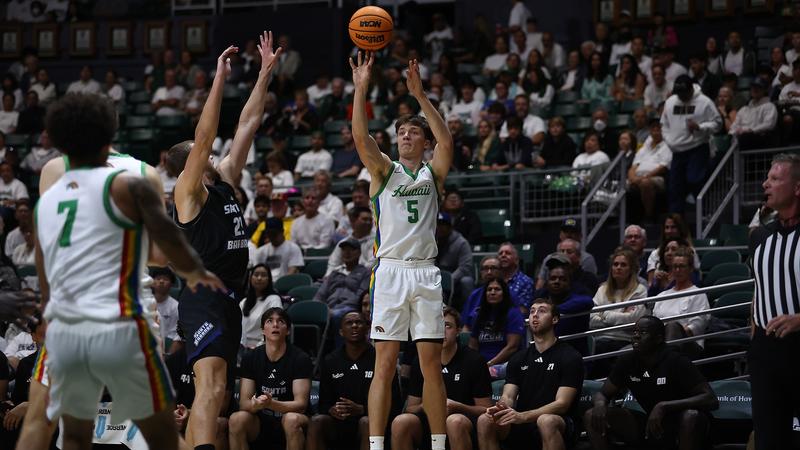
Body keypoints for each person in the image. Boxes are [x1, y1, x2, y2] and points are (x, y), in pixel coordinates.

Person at [34, 90, 223, 450]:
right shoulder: (143, 172)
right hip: (132, 313)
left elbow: (49, 250)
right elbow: (157, 258)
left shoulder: (53, 171)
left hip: (74, 314)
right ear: (112, 128)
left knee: (47, 422)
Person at [166, 34, 281, 450]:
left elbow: (248, 123)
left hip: (230, 297)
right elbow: (206, 134)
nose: (215, 155)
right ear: (192, 164)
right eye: (205, 155)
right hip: (204, 294)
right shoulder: (188, 192)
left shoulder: (226, 181)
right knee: (212, 388)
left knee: (215, 395)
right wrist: (218, 77)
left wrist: (265, 73)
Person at [350, 51, 454, 450]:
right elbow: (361, 138)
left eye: (413, 133)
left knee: (432, 366)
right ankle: (377, 446)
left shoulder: (433, 173)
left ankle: (439, 444)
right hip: (390, 272)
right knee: (385, 365)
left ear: (423, 141)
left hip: (425, 272)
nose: (406, 137)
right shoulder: (383, 171)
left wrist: (421, 98)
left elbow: (446, 140)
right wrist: (361, 89)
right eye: (401, 133)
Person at [584, 316, 719, 450]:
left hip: (685, 423)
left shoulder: (676, 361)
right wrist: (600, 403)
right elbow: (603, 393)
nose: (636, 336)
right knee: (592, 415)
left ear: (658, 339)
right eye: (634, 332)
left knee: (690, 416)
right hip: (652, 422)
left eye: (643, 333)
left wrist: (664, 406)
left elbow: (710, 399)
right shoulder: (627, 361)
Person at [476, 298, 583, 450]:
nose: (535, 315)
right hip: (522, 420)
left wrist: (524, 416)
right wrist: (502, 407)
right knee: (484, 420)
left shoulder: (570, 356)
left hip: (559, 422)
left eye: (542, 311)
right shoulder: (519, 358)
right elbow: (509, 396)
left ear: (555, 319)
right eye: (532, 311)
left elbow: (562, 404)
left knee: (546, 421)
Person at [749, 153, 800, 449]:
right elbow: (760, 287)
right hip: (766, 352)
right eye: (767, 178)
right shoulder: (759, 237)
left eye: (775, 179)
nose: (765, 183)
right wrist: (753, 328)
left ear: (796, 187)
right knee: (769, 438)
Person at [392, 307, 492, 450]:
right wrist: (427, 406)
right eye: (436, 325)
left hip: (464, 422)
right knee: (401, 422)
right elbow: (411, 408)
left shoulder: (474, 360)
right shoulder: (420, 360)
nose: (441, 330)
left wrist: (457, 406)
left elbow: (486, 409)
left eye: (447, 326)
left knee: (454, 421)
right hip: (429, 422)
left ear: (458, 331)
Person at [309, 311, 400, 450]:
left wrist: (362, 409)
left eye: (359, 322)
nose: (354, 326)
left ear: (367, 328)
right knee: (316, 421)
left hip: (371, 422)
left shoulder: (381, 359)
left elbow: (395, 403)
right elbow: (323, 404)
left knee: (367, 422)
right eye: (349, 323)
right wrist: (332, 410)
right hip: (339, 424)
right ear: (341, 332)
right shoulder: (330, 360)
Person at [228, 308, 312, 450]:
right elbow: (244, 403)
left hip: (292, 420)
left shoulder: (300, 358)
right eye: (270, 321)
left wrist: (270, 404)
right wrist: (256, 405)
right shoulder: (250, 358)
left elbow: (301, 405)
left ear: (288, 331)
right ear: (263, 330)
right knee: (236, 419)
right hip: (260, 422)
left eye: (281, 321)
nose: (275, 325)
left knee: (292, 419)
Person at [660, 74, 721, 214]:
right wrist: (669, 141)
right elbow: (664, 125)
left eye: (684, 93)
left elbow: (718, 123)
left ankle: (705, 214)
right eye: (679, 93)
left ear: (691, 90)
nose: (681, 96)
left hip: (697, 148)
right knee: (675, 189)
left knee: (695, 180)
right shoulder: (670, 102)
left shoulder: (704, 102)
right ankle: (676, 222)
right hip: (677, 151)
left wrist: (700, 127)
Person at [590, 247, 648, 373]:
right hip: (601, 339)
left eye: (623, 265)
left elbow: (633, 321)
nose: (618, 267)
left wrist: (603, 313)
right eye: (615, 264)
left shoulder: (640, 290)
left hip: (625, 340)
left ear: (631, 269)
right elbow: (591, 320)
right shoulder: (602, 290)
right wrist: (621, 315)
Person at [653, 248, 709, 356]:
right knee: (625, 352)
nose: (678, 270)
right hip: (659, 344)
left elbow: (695, 328)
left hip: (688, 345)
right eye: (675, 267)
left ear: (690, 269)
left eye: (682, 266)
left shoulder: (698, 294)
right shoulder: (662, 296)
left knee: (673, 326)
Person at [468, 277, 525, 371]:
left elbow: (512, 346)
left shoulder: (513, 313)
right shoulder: (478, 314)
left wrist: (490, 364)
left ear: (504, 293)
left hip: (505, 364)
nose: (492, 292)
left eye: (497, 289)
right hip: (481, 365)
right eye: (489, 289)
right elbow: (473, 346)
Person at [314, 238, 371, 324]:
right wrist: (321, 308)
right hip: (329, 307)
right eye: (344, 250)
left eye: (351, 250)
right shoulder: (335, 273)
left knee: (337, 315)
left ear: (359, 253)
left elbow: (360, 296)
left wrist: (334, 310)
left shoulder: (365, 273)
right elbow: (320, 294)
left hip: (350, 308)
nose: (347, 253)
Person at [627, 118, 672, 221]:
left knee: (645, 183)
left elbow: (663, 167)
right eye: (653, 128)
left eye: (658, 128)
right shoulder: (645, 146)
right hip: (639, 177)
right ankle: (626, 218)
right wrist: (632, 177)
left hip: (658, 177)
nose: (655, 131)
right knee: (622, 185)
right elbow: (634, 166)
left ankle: (649, 216)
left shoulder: (668, 145)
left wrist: (645, 177)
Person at [435, 212, 474, 307]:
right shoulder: (430, 241)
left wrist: (449, 279)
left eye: (443, 225)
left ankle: (467, 312)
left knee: (466, 281)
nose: (440, 228)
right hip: (436, 276)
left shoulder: (461, 242)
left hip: (455, 277)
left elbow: (465, 267)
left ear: (450, 227)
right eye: (438, 224)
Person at [240, 264, 282, 349]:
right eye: (256, 275)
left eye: (263, 275)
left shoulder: (274, 299)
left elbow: (275, 329)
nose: (259, 278)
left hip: (263, 348)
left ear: (269, 279)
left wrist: (259, 347)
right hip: (241, 347)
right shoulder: (244, 302)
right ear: (250, 278)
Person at [729, 77, 778, 150]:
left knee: (745, 137)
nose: (755, 89)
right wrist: (732, 133)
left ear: (764, 90)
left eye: (758, 87)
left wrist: (751, 130)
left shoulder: (769, 106)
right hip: (742, 137)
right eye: (753, 87)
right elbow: (735, 125)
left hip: (759, 139)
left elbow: (769, 124)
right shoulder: (744, 109)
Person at [327, 206, 375, 275]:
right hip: (341, 279)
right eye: (365, 219)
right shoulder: (343, 242)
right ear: (353, 221)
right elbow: (333, 264)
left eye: (370, 220)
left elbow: (371, 265)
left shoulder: (376, 242)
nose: (368, 222)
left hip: (365, 279)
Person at [151, 266, 182, 354]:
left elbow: (177, 336)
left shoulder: (176, 306)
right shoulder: (145, 302)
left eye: (165, 279)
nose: (161, 281)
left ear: (171, 284)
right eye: (158, 279)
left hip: (167, 347)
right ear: (152, 282)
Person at [497, 243, 534, 311]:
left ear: (516, 260)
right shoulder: (494, 280)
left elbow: (522, 310)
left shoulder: (525, 282)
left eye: (507, 253)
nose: (503, 255)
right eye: (500, 253)